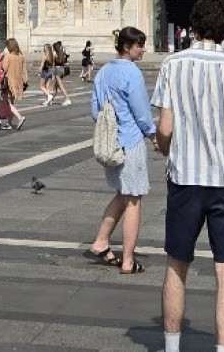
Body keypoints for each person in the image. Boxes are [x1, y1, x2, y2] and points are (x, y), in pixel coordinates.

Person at [153, 0, 224, 352]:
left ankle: (171, 347)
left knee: (176, 264)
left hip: (185, 177)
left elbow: (165, 127)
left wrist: (165, 148)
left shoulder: (173, 64)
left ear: (193, 26)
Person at [85, 26, 154, 274]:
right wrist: (152, 133)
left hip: (111, 142)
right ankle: (127, 260)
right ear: (127, 47)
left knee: (123, 195)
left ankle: (101, 241)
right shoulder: (131, 73)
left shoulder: (103, 72)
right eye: (139, 46)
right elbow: (141, 111)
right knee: (134, 199)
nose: (143, 50)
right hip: (130, 140)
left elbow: (95, 110)